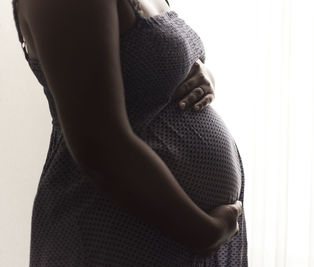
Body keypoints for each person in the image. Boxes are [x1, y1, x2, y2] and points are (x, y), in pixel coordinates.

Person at [11, 0, 248, 265]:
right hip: (116, 233)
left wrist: (199, 74)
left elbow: (144, 70)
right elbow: (99, 145)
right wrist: (203, 232)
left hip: (180, 236)